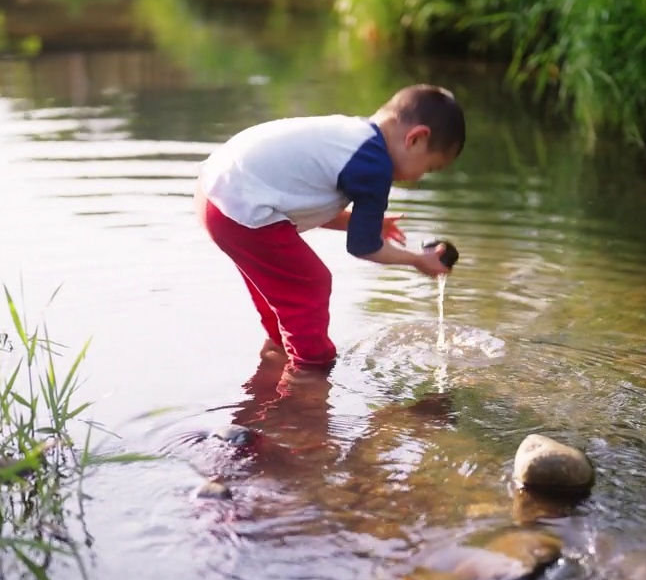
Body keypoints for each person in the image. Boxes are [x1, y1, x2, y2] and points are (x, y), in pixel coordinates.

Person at [194, 84, 465, 371]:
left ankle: (275, 366)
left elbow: (302, 199)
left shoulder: (353, 137)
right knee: (311, 282)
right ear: (416, 139)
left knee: (287, 300)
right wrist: (417, 260)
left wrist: (363, 223)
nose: (420, 177)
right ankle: (310, 375)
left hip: (218, 194)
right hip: (238, 205)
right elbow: (364, 246)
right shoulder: (374, 165)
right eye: (429, 167)